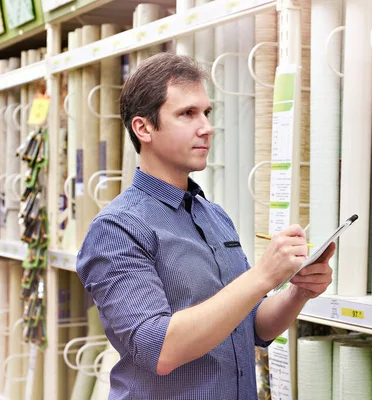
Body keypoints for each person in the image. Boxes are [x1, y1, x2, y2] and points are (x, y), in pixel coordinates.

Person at [76, 52, 334, 400]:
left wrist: (297, 291)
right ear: (144, 128)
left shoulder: (214, 217)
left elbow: (254, 326)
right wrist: (261, 276)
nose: (206, 127)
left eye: (206, 112)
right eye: (187, 114)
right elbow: (159, 349)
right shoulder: (117, 230)